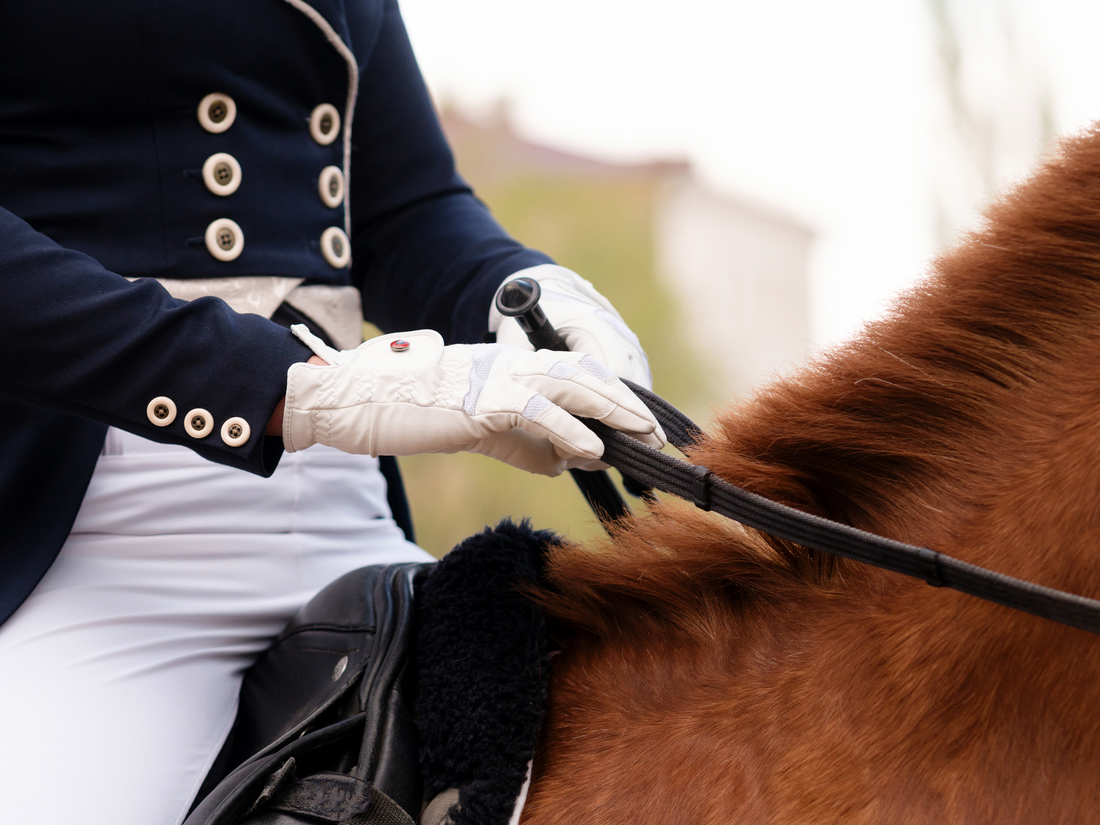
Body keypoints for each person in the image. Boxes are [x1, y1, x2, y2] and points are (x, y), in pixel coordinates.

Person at [0, 1, 661, 823]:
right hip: (94, 531)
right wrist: (281, 388)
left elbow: (403, 207)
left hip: (349, 498)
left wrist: (523, 295)